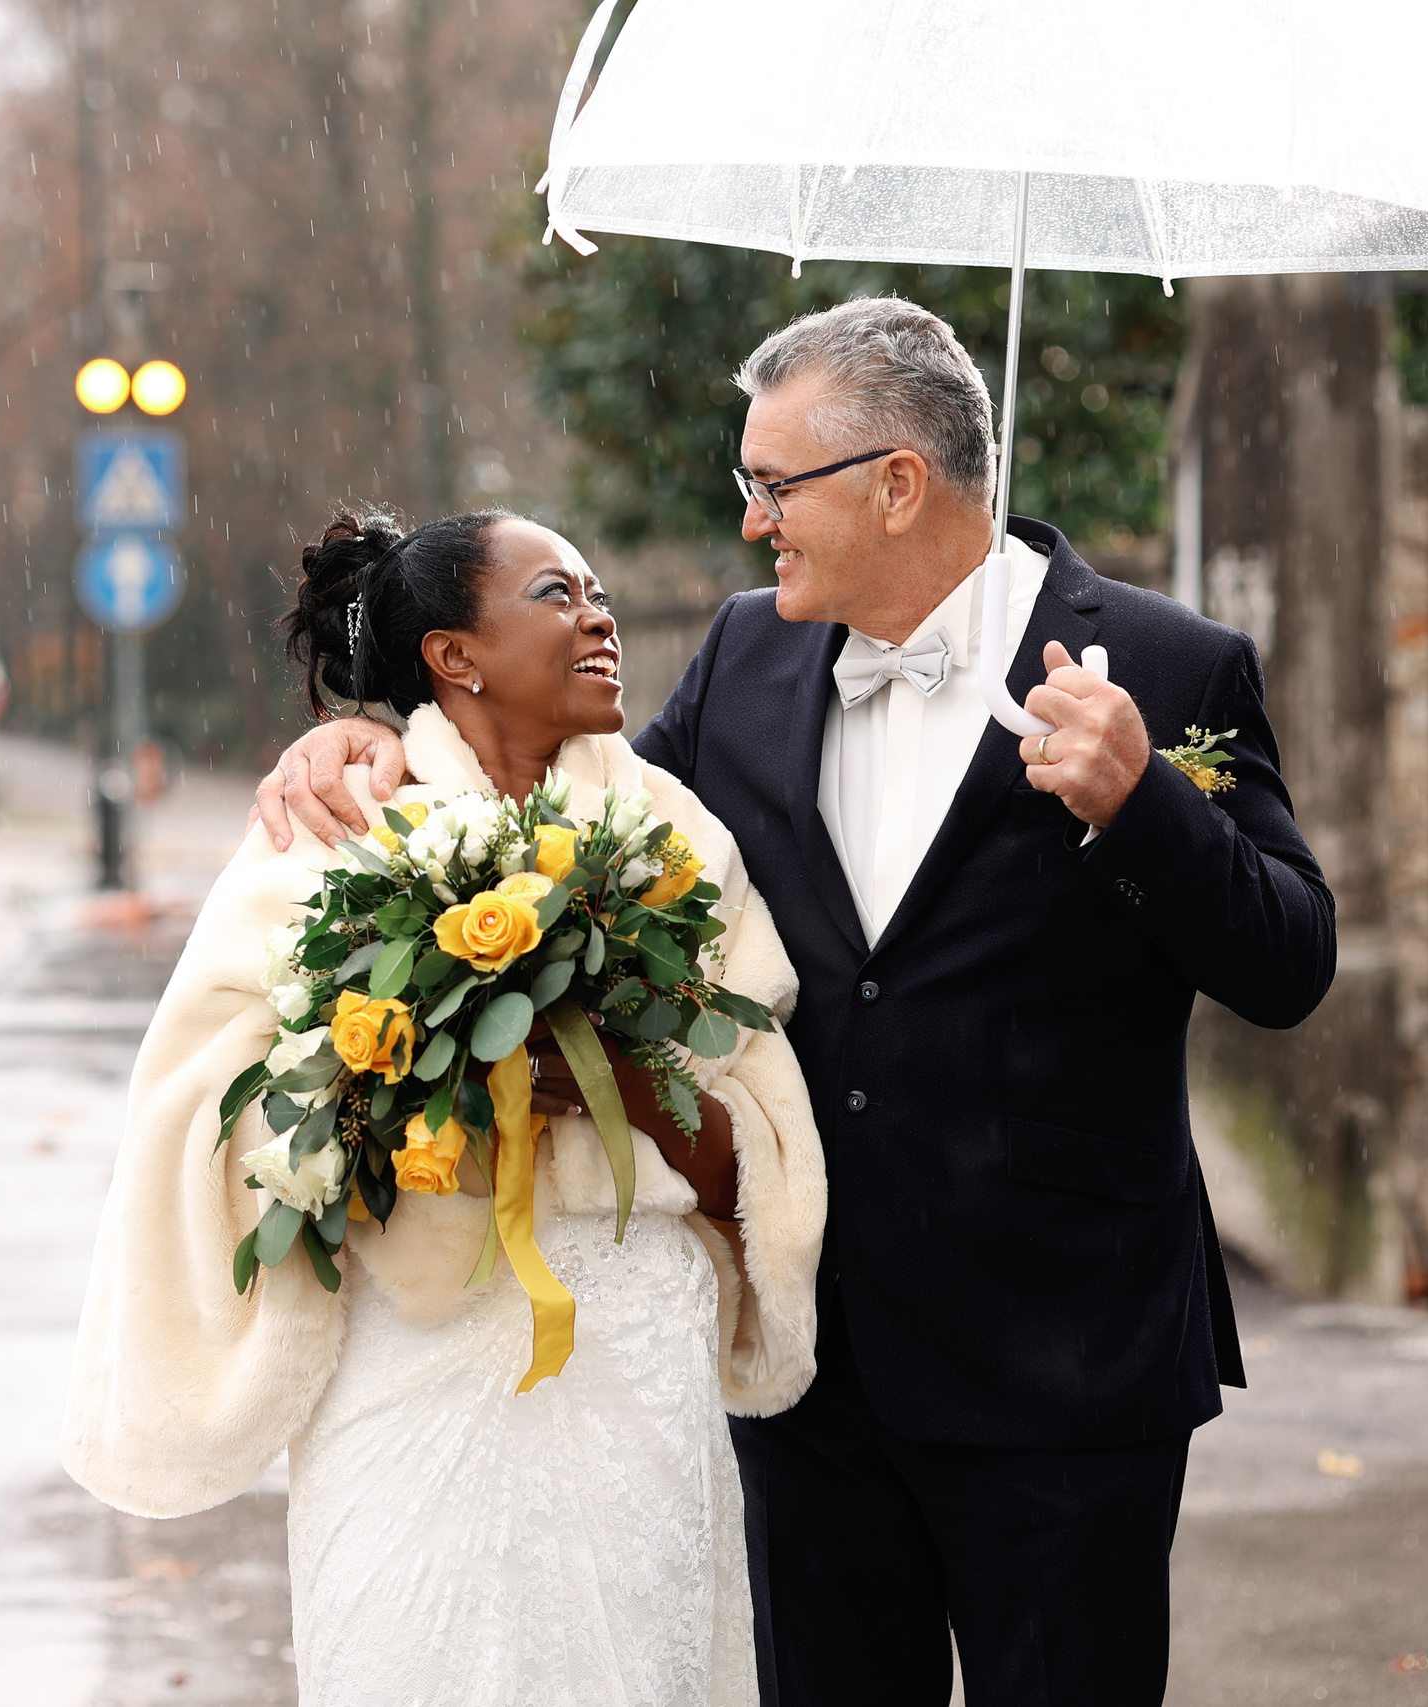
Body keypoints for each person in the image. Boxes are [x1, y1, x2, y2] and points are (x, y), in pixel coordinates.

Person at [255, 297, 1337, 1705]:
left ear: (898, 483)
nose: (756, 520)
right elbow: (569, 835)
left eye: (776, 486)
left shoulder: (1169, 663)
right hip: (815, 1363)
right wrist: (379, 729)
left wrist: (1144, 808)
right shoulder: (742, 653)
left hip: (1068, 1364)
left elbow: (1289, 959)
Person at [64, 506, 828, 1706]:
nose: (599, 615)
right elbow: (202, 1100)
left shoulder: (683, 840)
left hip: (634, 1358)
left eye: (597, 588)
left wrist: (621, 1087)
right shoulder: (328, 829)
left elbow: (761, 1138)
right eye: (555, 595)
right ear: (452, 657)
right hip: (405, 1361)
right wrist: (403, 1089)